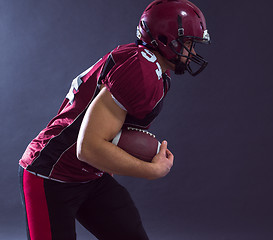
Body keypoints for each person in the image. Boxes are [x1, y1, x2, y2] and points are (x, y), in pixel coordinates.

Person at [18, 0, 211, 239]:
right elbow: (87, 148)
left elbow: (110, 131)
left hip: (90, 176)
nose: (192, 52)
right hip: (51, 174)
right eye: (188, 43)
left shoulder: (148, 64)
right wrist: (152, 170)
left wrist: (108, 161)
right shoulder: (141, 71)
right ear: (165, 39)